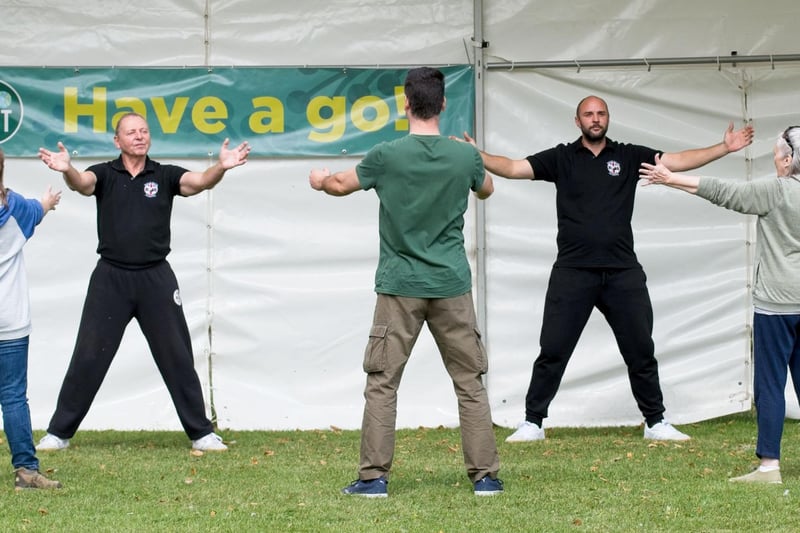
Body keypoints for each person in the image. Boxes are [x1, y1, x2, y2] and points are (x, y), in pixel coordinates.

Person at [459, 95, 754, 442]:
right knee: (553, 348)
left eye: (601, 114)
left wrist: (724, 147)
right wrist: (476, 155)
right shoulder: (562, 158)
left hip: (622, 272)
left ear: (608, 119)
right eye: (589, 114)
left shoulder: (628, 156)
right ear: (577, 120)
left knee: (640, 349)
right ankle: (533, 422)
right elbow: (511, 167)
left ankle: (655, 422)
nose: (595, 119)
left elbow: (676, 160)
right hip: (573, 270)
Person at [309, 67, 501, 497]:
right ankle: (485, 477)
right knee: (470, 382)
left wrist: (320, 181)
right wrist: (471, 156)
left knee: (382, 382)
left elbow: (340, 185)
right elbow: (487, 188)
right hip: (452, 285)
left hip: (398, 287)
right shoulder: (463, 156)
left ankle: (373, 478)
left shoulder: (387, 154)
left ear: (406, 104)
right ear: (444, 104)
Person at [35, 112, 251, 452]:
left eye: (144, 131)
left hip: (156, 278)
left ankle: (201, 433)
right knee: (89, 356)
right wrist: (68, 171)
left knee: (176, 355)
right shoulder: (106, 173)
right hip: (110, 278)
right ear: (117, 141)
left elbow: (199, 182)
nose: (139, 136)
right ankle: (59, 433)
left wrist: (221, 167)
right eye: (131, 132)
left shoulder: (163, 174)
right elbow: (83, 184)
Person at [640, 126, 800, 483]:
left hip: (777, 304)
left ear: (788, 160)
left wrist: (670, 178)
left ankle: (769, 467)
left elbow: (724, 192)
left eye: (776, 152)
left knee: (771, 385)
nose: (773, 157)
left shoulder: (776, 191)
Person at [0, 148, 63, 489]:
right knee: (12, 396)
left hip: (11, 322)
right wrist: (49, 201)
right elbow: (38, 210)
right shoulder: (16, 209)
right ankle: (25, 471)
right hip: (10, 319)